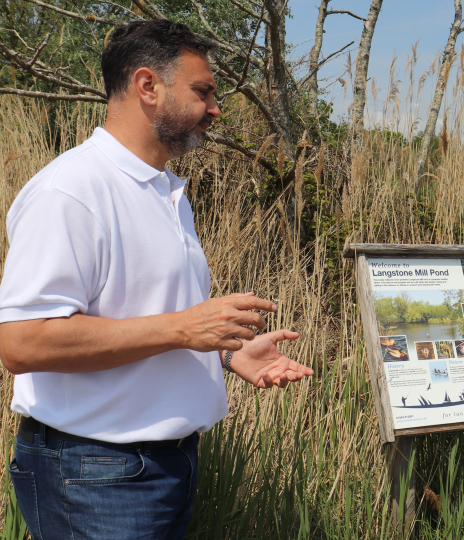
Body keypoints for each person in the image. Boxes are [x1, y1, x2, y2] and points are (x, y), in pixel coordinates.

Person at [0, 20, 313, 539]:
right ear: (148, 86)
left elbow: (140, 316)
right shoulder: (71, 191)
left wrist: (227, 354)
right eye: (203, 91)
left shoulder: (165, 190)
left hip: (162, 468)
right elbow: (22, 342)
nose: (215, 108)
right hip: (94, 475)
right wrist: (184, 329)